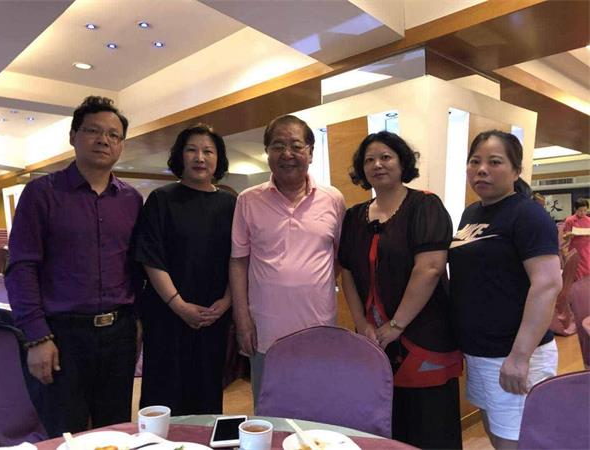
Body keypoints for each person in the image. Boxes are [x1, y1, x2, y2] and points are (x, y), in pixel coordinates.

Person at [5, 96, 142, 437]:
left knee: (116, 431)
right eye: (93, 131)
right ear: (73, 136)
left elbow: (135, 267)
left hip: (119, 335)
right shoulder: (42, 193)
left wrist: (138, 322)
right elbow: (21, 267)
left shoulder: (131, 200)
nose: (104, 140)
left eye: (113, 135)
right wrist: (37, 337)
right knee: (66, 434)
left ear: (121, 145)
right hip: (61, 336)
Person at [338, 131, 462, 449]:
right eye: (369, 160)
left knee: (430, 426)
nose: (377, 164)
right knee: (384, 423)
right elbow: (347, 272)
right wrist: (361, 324)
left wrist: (396, 324)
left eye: (386, 157)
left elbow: (430, 268)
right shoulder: (353, 216)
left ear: (402, 162)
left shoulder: (425, 205)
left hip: (423, 335)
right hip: (374, 339)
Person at [449, 130, 562, 450]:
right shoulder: (472, 213)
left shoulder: (527, 214)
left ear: (516, 171)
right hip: (481, 352)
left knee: (518, 442)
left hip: (515, 352)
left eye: (495, 162)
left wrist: (520, 357)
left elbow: (547, 284)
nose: (481, 169)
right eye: (475, 161)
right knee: (497, 435)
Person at [229, 114, 345, 405]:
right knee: (270, 410)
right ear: (267, 152)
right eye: (278, 146)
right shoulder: (248, 200)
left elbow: (340, 257)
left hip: (319, 327)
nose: (287, 154)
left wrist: (312, 284)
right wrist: (242, 319)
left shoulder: (333, 199)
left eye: (295, 145)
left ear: (310, 152)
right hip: (266, 331)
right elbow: (238, 262)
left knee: (319, 408)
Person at [134, 125, 235, 415]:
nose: (199, 157)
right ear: (180, 155)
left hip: (213, 316)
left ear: (218, 158)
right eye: (191, 150)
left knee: (207, 396)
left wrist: (226, 301)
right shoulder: (161, 199)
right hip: (167, 316)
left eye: (208, 151)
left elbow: (239, 258)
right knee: (164, 399)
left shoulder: (231, 203)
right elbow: (151, 258)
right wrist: (179, 306)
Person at [563, 197, 590, 280]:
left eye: (585, 210)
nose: (583, 213)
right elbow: (564, 237)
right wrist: (569, 235)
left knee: (587, 271)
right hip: (575, 249)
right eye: (580, 210)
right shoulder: (570, 220)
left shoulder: (589, 220)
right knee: (576, 272)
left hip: (587, 250)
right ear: (575, 209)